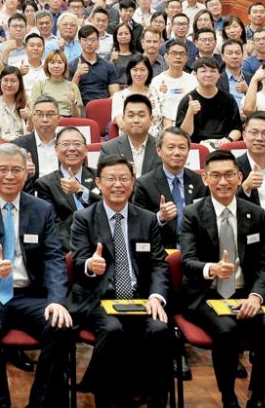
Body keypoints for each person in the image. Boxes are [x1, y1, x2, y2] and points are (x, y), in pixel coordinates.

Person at [0, 143, 73, 408]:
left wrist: (57, 300)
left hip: (30, 295)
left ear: (26, 173)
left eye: (16, 170)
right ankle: (0, 404)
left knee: (61, 325)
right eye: (3, 169)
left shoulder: (42, 209)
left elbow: (54, 258)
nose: (9, 176)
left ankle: (39, 403)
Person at [68, 154, 175, 408]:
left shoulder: (147, 219)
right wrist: (90, 265)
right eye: (111, 179)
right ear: (98, 182)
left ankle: (157, 401)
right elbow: (78, 260)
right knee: (112, 329)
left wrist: (156, 297)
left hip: (140, 298)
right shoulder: (84, 218)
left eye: (124, 179)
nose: (118, 184)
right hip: (100, 297)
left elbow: (159, 264)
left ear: (133, 182)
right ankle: (106, 398)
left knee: (160, 329)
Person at [178, 150, 265, 408]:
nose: (223, 182)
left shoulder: (255, 213)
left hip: (245, 293)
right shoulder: (192, 213)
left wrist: (256, 297)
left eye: (229, 175)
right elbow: (187, 260)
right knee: (227, 330)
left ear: (239, 177)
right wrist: (211, 269)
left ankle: (258, 396)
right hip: (206, 294)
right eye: (216, 176)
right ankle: (229, 398)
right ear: (205, 178)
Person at [133, 128, 208, 250]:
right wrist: (160, 217)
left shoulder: (200, 182)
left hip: (197, 250)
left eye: (182, 148)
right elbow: (138, 225)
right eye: (170, 147)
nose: (177, 152)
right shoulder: (144, 184)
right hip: (161, 251)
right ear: (159, 151)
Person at [32, 126, 97, 222]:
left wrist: (81, 190)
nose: (72, 148)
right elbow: (53, 223)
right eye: (65, 144)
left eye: (77, 144)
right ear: (56, 150)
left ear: (86, 150)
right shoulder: (45, 184)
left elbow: (109, 207)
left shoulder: (99, 176)